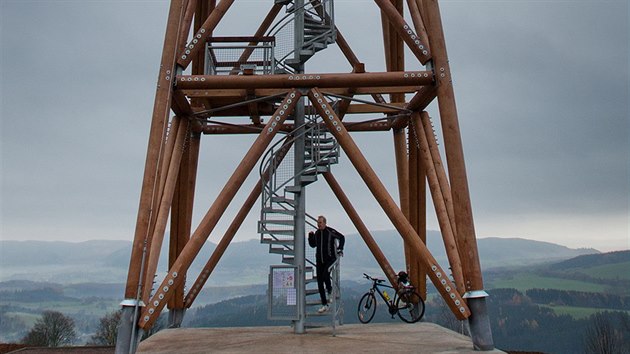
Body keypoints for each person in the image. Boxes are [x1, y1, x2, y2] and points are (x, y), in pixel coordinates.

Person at [307, 215, 345, 313]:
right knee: (320, 283)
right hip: (319, 260)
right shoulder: (317, 233)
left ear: (324, 223)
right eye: (317, 222)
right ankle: (325, 304)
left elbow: (342, 237)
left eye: (320, 222)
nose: (318, 224)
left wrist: (340, 248)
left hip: (329, 259)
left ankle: (330, 290)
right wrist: (310, 237)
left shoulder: (330, 232)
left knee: (325, 275)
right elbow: (313, 245)